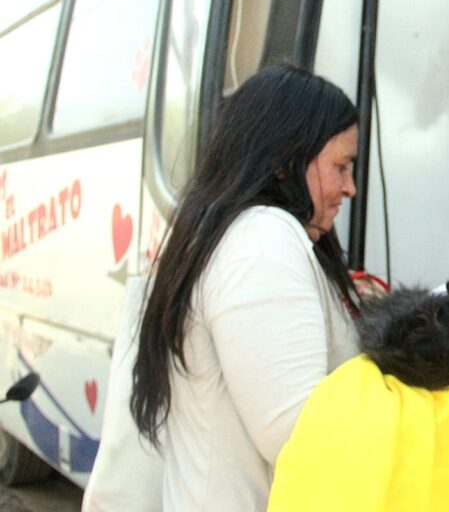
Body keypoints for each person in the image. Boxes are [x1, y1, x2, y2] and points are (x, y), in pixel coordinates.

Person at [128, 64, 362, 511]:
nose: (349, 187)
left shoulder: (237, 232)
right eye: (340, 166)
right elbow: (298, 435)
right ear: (284, 162)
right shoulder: (261, 240)